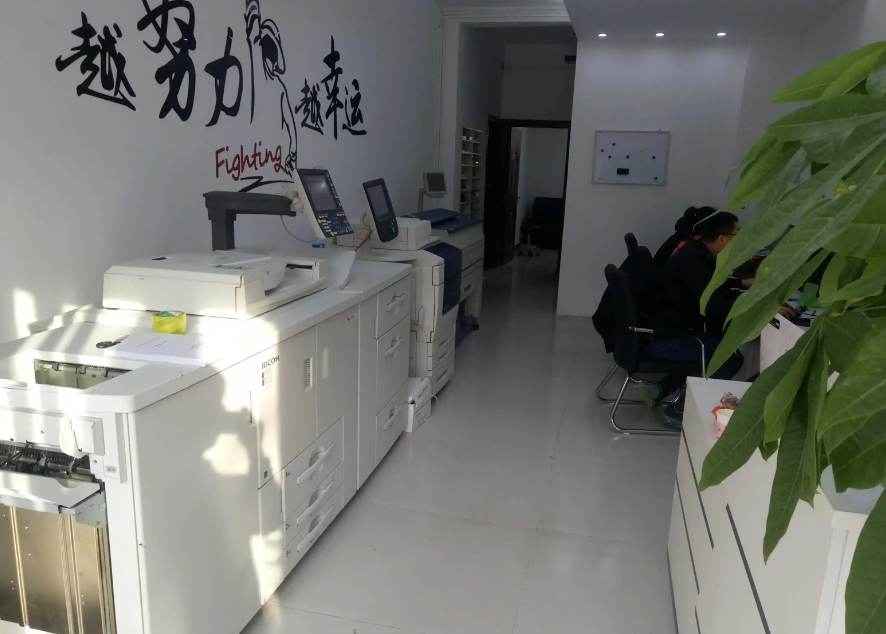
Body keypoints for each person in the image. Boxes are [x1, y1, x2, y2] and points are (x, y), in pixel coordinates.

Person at [643, 211, 750, 428]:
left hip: (662, 332)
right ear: (723, 239)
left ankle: (664, 387)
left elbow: (713, 291)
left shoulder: (697, 253)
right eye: (737, 235)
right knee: (728, 357)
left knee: (714, 345)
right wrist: (756, 307)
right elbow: (713, 306)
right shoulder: (694, 261)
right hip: (664, 339)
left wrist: (744, 292)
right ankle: (680, 410)